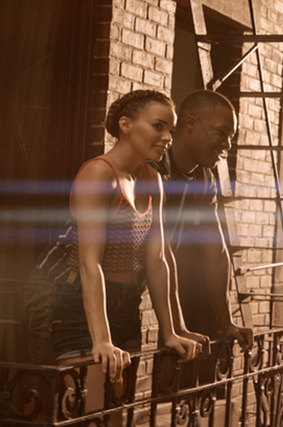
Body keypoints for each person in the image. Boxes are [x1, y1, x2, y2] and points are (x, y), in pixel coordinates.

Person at [48, 90, 200, 409]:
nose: (167, 137)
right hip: (82, 310)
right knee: (87, 413)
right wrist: (102, 339)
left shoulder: (152, 179)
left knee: (116, 412)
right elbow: (90, 264)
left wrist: (171, 330)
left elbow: (159, 260)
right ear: (126, 124)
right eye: (159, 126)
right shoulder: (98, 174)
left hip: (128, 308)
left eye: (170, 129)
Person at [151, 89, 253, 352]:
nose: (228, 145)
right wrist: (174, 327)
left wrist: (226, 322)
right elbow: (157, 255)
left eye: (231, 137)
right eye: (222, 133)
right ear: (190, 124)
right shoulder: (152, 168)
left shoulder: (204, 178)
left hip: (122, 298)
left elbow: (216, 254)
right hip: (76, 290)